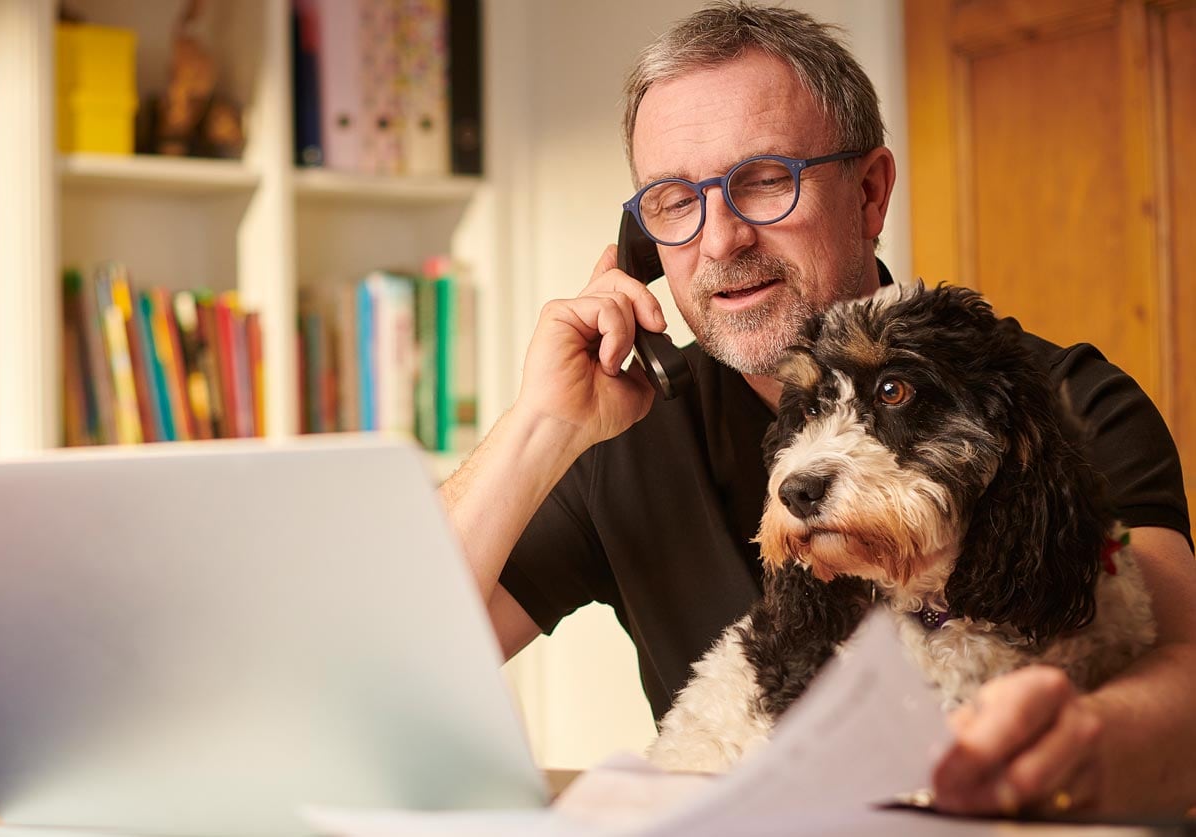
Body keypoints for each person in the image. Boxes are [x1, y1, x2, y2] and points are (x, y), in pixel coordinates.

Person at [441, 1, 1196, 816]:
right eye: (673, 201)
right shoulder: (623, 427)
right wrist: (541, 426)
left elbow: (1183, 663)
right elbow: (395, 654)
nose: (721, 240)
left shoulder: (1062, 400)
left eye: (764, 180)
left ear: (869, 193)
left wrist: (1069, 745)